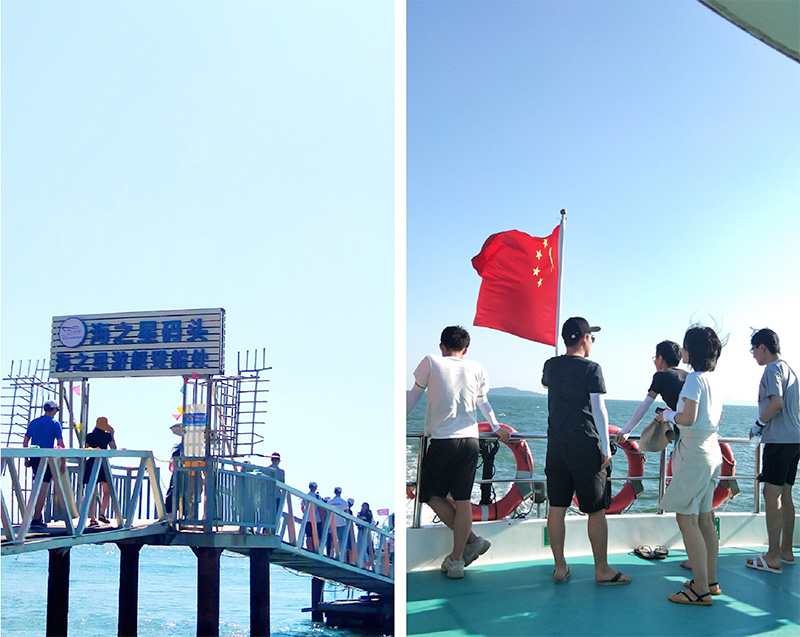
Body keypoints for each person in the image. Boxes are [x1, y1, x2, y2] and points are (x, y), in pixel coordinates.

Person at [406, 325, 510, 579]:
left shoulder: (431, 362)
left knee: (429, 494)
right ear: (466, 349)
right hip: (471, 441)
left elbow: (414, 396)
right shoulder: (476, 367)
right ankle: (456, 559)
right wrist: (495, 427)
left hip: (444, 441)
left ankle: (471, 543)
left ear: (441, 346)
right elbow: (483, 401)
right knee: (462, 500)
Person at [542, 317, 630, 586]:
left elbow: (549, 385)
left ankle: (560, 567)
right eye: (591, 337)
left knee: (557, 508)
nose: (592, 341)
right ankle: (601, 569)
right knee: (596, 511)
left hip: (556, 446)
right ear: (583, 339)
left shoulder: (550, 365)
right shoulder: (592, 369)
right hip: (584, 445)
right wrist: (605, 446)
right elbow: (599, 409)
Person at [656, 325, 724, 606]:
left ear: (691, 351)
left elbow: (688, 418)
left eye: (685, 346)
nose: (682, 350)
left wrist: (666, 415)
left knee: (687, 519)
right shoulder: (714, 380)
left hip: (694, 453)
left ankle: (700, 591)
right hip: (712, 451)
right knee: (706, 519)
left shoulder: (694, 379)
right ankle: (710, 582)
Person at [745, 328, 799, 572]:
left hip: (778, 442)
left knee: (771, 494)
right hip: (795, 441)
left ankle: (773, 556)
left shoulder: (772, 369)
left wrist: (758, 425)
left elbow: (776, 402)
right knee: (786, 494)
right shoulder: (790, 370)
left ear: (763, 347)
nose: (754, 355)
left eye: (754, 350)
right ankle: (786, 551)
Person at [615, 340, 688, 444]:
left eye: (655, 358)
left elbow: (646, 404)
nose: (654, 362)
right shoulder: (688, 376)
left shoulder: (661, 376)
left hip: (683, 436)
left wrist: (626, 430)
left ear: (660, 358)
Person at [23, 400, 66, 529]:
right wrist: (63, 461)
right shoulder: (55, 424)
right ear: (53, 410)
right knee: (43, 488)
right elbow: (60, 444)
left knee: (37, 485)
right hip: (47, 459)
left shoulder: (34, 422)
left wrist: (26, 458)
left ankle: (35, 515)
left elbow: (25, 442)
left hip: (35, 456)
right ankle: (36, 517)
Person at [82, 416, 117, 526]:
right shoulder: (107, 436)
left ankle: (92, 518)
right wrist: (112, 435)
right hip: (103, 464)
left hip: (91, 463)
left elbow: (86, 448)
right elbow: (114, 448)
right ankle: (102, 514)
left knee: (91, 492)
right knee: (107, 491)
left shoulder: (89, 436)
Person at [261, 452, 285, 531]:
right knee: (276, 515)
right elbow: (282, 484)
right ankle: (273, 531)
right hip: (277, 495)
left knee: (266, 514)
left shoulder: (265, 470)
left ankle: (265, 530)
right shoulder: (281, 472)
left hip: (267, 495)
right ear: (279, 461)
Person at [301, 481, 323, 550]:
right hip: (317, 519)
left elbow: (302, 507)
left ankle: (309, 549)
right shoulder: (317, 497)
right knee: (317, 535)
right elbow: (321, 508)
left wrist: (306, 513)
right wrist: (323, 520)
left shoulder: (306, 495)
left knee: (309, 535)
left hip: (307, 518)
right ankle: (317, 550)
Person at [328, 486, 349, 557]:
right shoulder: (344, 502)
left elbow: (327, 512)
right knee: (341, 540)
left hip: (333, 522)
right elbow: (347, 512)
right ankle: (340, 555)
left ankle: (331, 554)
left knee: (333, 540)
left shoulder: (330, 502)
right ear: (340, 493)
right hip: (342, 522)